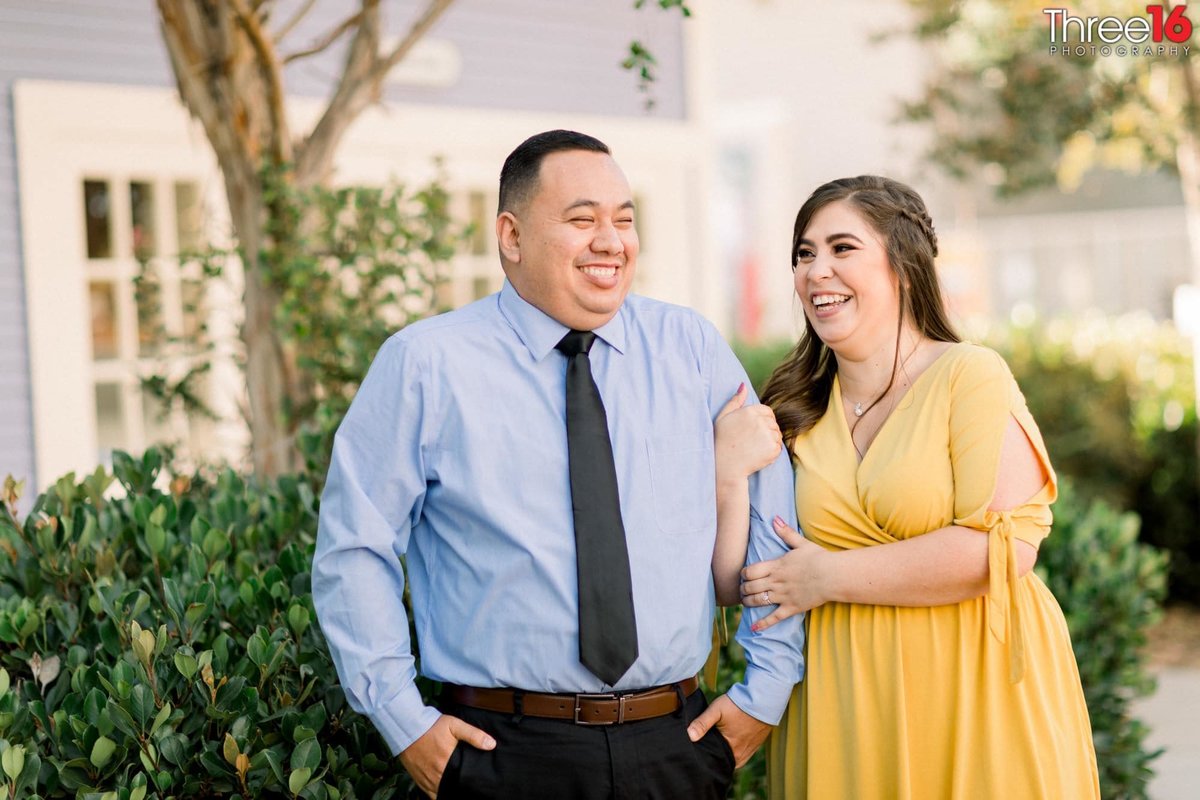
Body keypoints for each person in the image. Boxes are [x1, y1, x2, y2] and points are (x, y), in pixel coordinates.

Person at [312, 129, 804, 799]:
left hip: (676, 747)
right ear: (511, 237)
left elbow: (772, 519)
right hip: (502, 755)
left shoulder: (689, 347)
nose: (611, 240)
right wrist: (404, 722)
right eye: (582, 219)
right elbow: (353, 548)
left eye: (624, 220)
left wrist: (764, 692)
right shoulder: (426, 365)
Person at [712, 176, 1101, 799]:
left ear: (904, 267)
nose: (817, 272)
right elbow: (739, 581)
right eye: (805, 254)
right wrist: (726, 473)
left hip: (975, 687)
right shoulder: (791, 405)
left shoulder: (969, 376)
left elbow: (1000, 552)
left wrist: (827, 578)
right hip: (842, 695)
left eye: (842, 248)